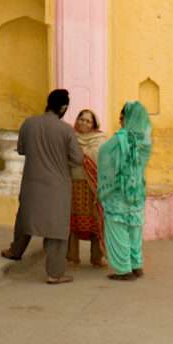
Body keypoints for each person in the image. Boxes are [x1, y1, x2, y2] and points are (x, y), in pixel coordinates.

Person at [1, 88, 82, 284]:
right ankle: (55, 273)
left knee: (25, 218)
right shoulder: (66, 130)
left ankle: (15, 251)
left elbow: (21, 150)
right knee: (56, 230)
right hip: (57, 187)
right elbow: (77, 159)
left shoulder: (29, 123)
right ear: (63, 107)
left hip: (31, 182)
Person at [96, 100, 152, 281]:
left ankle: (123, 270)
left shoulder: (120, 138)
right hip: (136, 192)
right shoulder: (145, 140)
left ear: (125, 118)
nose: (120, 120)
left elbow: (103, 153)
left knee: (117, 228)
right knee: (134, 228)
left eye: (122, 117)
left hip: (118, 192)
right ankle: (136, 266)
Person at [68, 107, 106, 268]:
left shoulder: (100, 139)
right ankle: (72, 257)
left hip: (93, 185)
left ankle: (96, 258)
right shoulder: (70, 136)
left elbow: (100, 157)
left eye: (88, 120)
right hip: (73, 184)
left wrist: (80, 153)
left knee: (95, 220)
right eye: (81, 119)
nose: (84, 123)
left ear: (93, 124)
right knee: (72, 220)